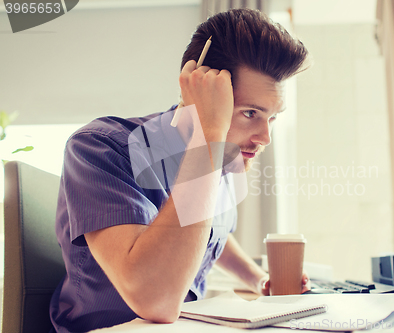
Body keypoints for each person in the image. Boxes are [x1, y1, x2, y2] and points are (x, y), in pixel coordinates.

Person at [49, 8, 310, 333]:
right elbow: (156, 300)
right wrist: (209, 133)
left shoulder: (222, 165)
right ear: (200, 91)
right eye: (250, 113)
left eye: (272, 118)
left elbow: (212, 233)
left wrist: (259, 279)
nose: (265, 138)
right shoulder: (100, 149)